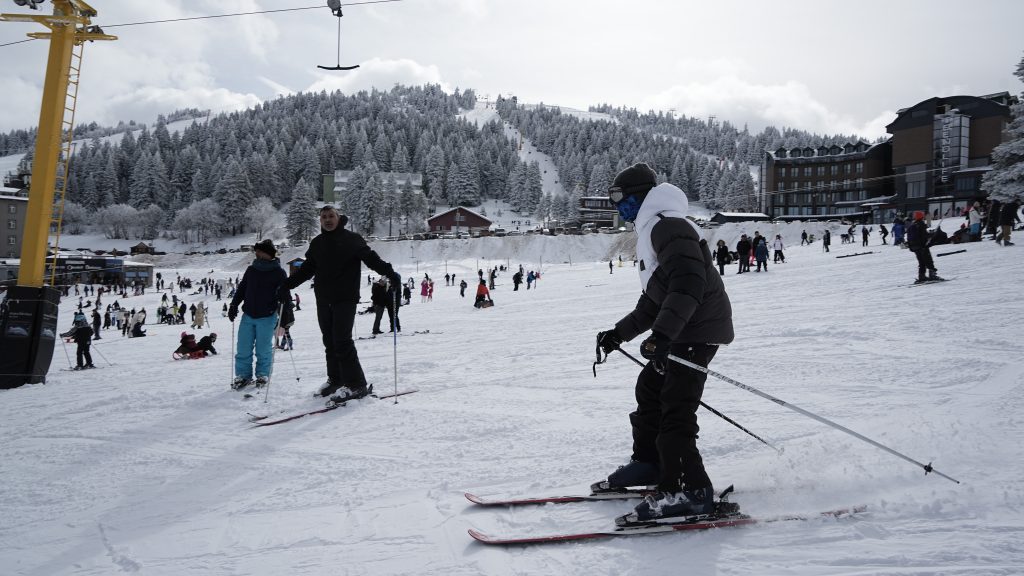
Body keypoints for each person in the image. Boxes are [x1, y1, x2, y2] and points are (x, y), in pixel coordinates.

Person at [594, 163, 734, 525]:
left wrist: (663, 336)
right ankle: (652, 463)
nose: (616, 206)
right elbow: (655, 298)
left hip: (696, 329)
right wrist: (619, 333)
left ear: (638, 195)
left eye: (618, 197)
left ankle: (689, 490)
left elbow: (689, 284)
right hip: (684, 328)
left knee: (675, 406)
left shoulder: (667, 226)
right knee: (651, 388)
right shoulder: (656, 229)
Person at [280, 206, 400, 401]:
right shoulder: (317, 243)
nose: (327, 220)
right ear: (320, 221)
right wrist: (287, 284)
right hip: (323, 298)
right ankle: (335, 379)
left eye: (331, 216)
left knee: (342, 340)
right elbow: (307, 269)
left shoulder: (351, 239)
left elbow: (371, 259)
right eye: (324, 217)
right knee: (329, 340)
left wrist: (389, 273)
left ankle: (356, 384)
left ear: (338, 218)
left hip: (345, 297)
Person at [228, 239, 290, 390]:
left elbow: (286, 296)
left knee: (263, 348)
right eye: (256, 252)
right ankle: (243, 375)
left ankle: (262, 374)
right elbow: (242, 288)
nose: (257, 254)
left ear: (268, 253)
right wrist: (234, 304)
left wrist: (285, 317)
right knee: (243, 347)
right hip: (248, 314)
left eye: (259, 251)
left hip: (267, 316)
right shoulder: (252, 269)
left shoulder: (278, 272)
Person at [907, 211, 941, 283]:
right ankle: (932, 275)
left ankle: (921, 276)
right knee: (928, 260)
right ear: (922, 217)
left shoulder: (912, 225)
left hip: (915, 247)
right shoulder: (921, 224)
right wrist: (932, 235)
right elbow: (923, 236)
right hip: (922, 246)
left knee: (921, 262)